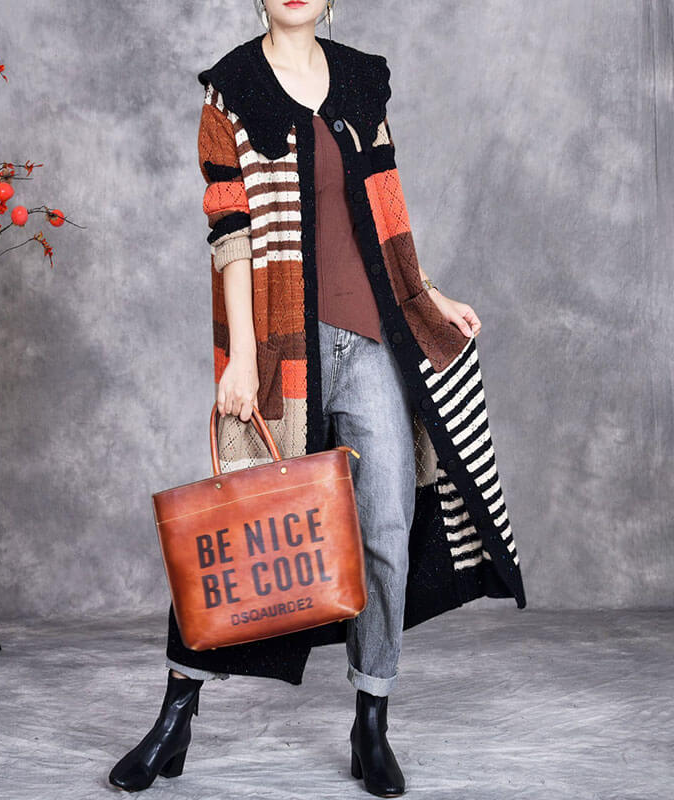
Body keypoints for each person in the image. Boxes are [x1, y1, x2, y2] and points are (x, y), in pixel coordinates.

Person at [109, 0, 522, 795]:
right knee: (243, 528)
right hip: (281, 351)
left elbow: (387, 209)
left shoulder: (363, 82)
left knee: (386, 529)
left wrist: (428, 294)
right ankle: (175, 717)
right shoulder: (231, 90)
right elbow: (230, 235)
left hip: (372, 342)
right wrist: (240, 358)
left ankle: (371, 720)